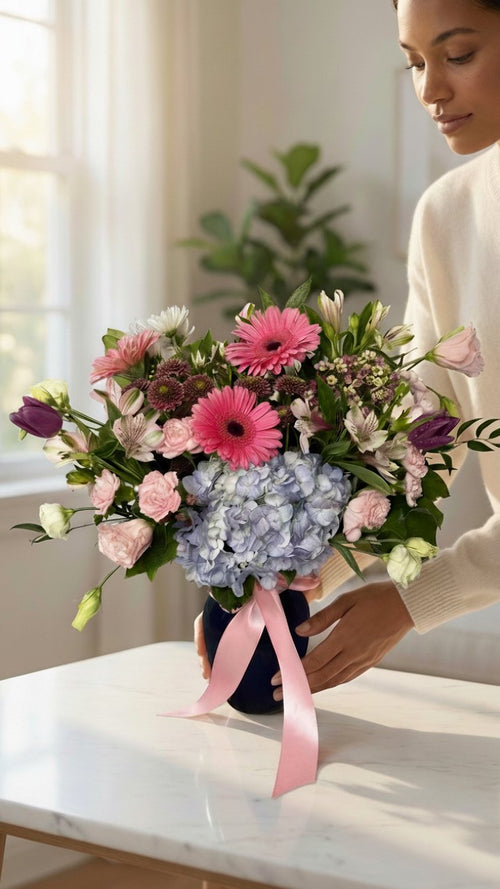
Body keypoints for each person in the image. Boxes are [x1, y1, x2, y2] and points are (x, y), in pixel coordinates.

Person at [196, 0, 500, 694]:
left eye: (457, 55)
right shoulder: (447, 215)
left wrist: (414, 598)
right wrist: (281, 579)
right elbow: (425, 437)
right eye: (415, 62)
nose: (431, 90)